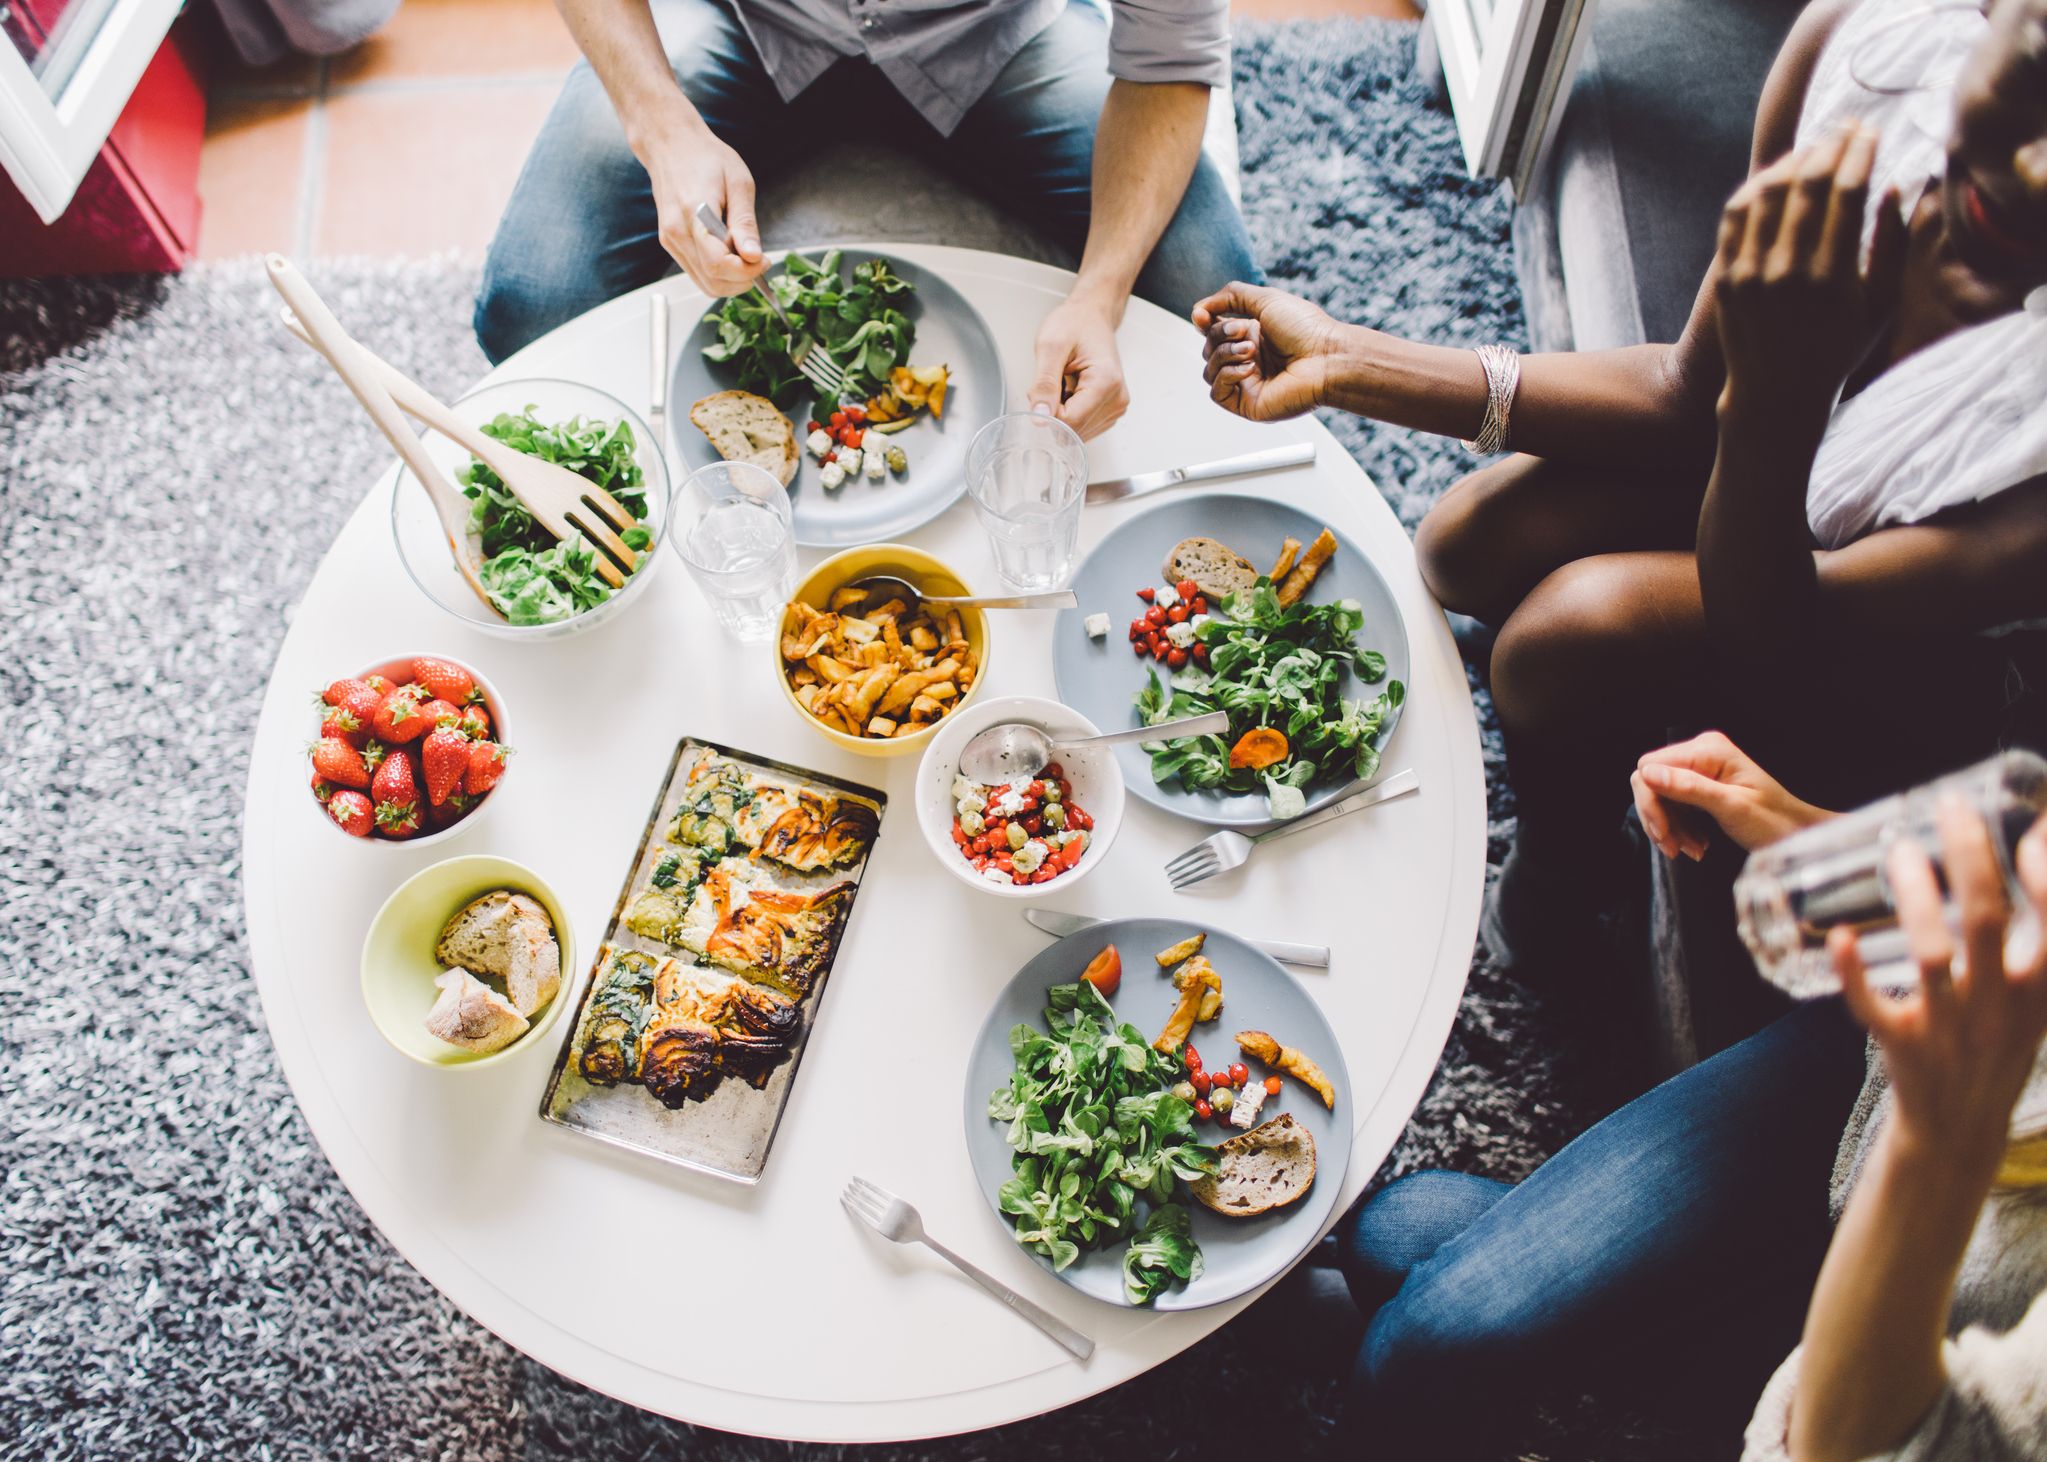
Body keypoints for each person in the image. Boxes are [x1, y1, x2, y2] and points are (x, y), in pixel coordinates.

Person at [1193, 0, 2047, 970]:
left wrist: (1769, 409)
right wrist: (1350, 358)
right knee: (1458, 541)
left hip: (1888, 638)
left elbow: (1777, 631)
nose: (2035, 169)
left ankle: (1568, 872)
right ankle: (1567, 739)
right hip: (1780, 466)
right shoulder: (1859, 45)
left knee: (1560, 639)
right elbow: (1686, 392)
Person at [1323, 730, 2047, 1462]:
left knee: (1415, 1338)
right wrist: (1791, 823)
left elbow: (1836, 1452)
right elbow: (1983, 897)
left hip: (1912, 1299)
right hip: (1876, 1079)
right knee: (1390, 1236)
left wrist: (1933, 1145)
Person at [476, 0, 1261, 441]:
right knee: (534, 300)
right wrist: (661, 124)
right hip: (745, 21)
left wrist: (1101, 293)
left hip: (991, 38)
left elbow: (1171, 53)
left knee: (1213, 292)